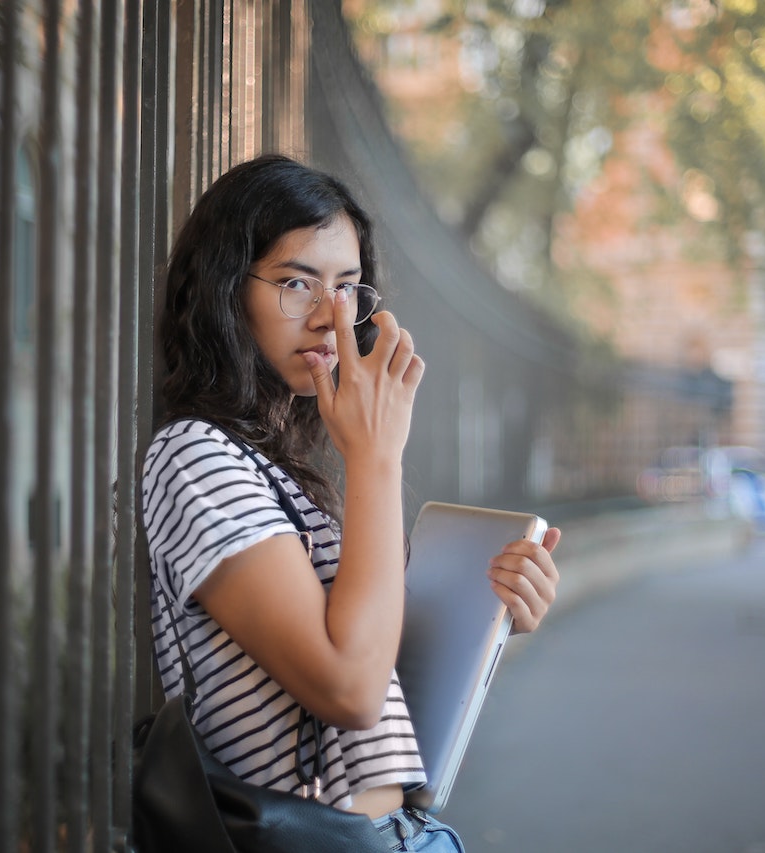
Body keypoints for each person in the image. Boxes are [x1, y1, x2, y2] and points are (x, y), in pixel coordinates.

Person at [139, 154, 561, 852]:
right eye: (296, 282)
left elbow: (372, 662)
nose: (331, 316)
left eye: (347, 287)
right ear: (224, 290)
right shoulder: (194, 456)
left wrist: (487, 617)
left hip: (397, 831)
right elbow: (349, 688)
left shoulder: (280, 469)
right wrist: (375, 458)